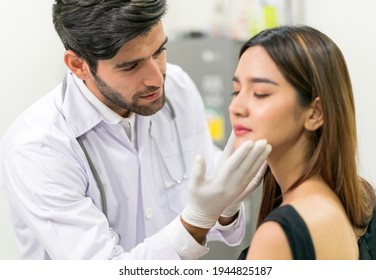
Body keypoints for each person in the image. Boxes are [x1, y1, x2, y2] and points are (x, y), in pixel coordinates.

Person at [0, 0, 272, 260]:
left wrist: (225, 207)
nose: (156, 79)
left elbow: (203, 216)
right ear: (78, 65)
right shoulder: (39, 147)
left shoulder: (177, 87)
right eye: (131, 65)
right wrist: (197, 218)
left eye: (159, 51)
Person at [229, 25, 376, 260]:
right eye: (236, 91)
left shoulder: (279, 234)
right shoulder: (359, 203)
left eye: (260, 93)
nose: (236, 108)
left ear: (315, 113)